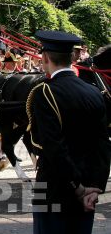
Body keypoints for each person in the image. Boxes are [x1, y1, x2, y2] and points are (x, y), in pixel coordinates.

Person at [27, 30, 110, 234]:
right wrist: (94, 187)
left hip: (54, 188)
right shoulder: (94, 92)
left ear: (45, 57)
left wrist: (77, 187)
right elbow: (103, 144)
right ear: (73, 57)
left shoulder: (43, 92)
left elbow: (49, 146)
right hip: (88, 189)